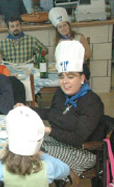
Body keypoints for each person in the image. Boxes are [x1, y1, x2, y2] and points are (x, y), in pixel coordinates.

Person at [29, 41, 104, 176]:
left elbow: (77, 138)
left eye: (70, 77)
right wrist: (28, 110)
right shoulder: (60, 94)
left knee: (34, 155)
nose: (65, 82)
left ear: (82, 79)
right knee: (28, 142)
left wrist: (48, 130)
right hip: (60, 142)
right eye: (62, 77)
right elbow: (52, 114)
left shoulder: (91, 102)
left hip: (83, 152)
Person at [49, 7, 92, 80]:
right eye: (60, 27)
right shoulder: (58, 41)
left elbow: (89, 53)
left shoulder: (79, 37)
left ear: (69, 26)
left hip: (80, 68)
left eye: (65, 25)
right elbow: (55, 58)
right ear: (58, 30)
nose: (63, 28)